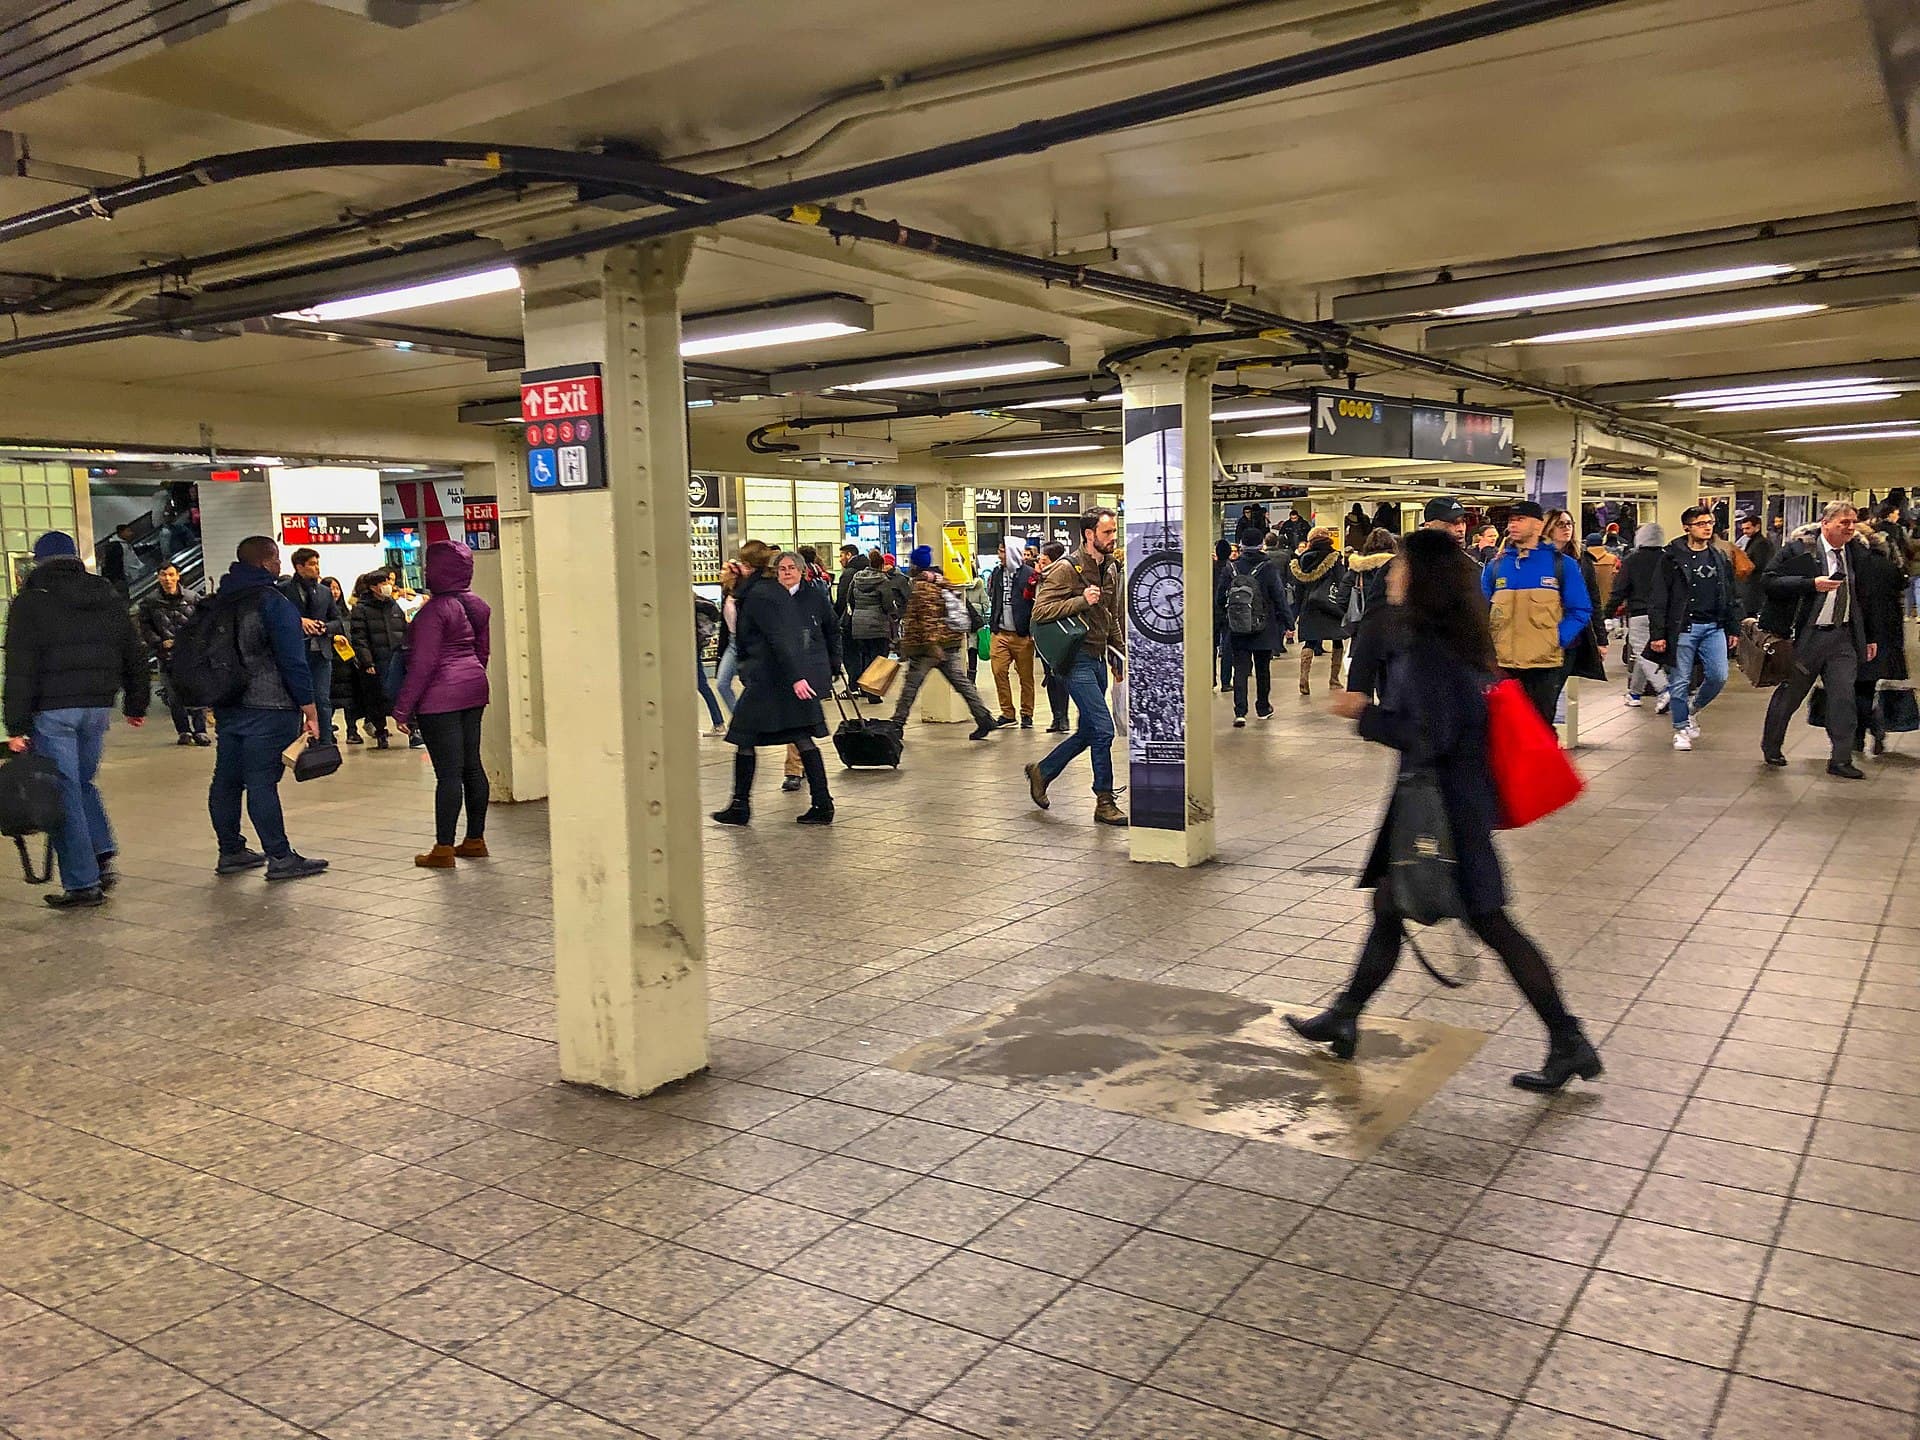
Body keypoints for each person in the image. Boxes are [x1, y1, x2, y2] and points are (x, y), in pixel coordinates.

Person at [1286, 529, 1602, 1092]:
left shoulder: (1430, 649)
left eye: (1399, 567)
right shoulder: (1450, 638)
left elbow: (1430, 733)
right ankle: (1346, 1014)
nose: (1390, 575)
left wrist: (1362, 715)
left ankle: (1568, 1039)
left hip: (1447, 808)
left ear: (1422, 578)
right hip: (1442, 799)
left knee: (1492, 923)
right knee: (1389, 905)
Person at [3, 531, 149, 908]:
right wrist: (136, 703)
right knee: (81, 782)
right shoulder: (105, 595)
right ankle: (101, 851)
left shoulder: (31, 602)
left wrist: (16, 726)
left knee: (64, 790)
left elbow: (20, 668)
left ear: (39, 561)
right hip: (98, 706)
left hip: (53, 710)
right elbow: (133, 651)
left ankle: (83, 883)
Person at [205, 536, 326, 881]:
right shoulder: (272, 602)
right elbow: (292, 660)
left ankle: (230, 850)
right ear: (264, 562)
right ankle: (280, 856)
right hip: (269, 706)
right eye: (275, 559)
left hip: (229, 703)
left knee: (226, 780)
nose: (279, 565)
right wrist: (310, 708)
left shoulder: (221, 600)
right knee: (261, 781)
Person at [713, 544, 840, 826]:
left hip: (770, 680)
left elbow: (779, 638)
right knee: (799, 736)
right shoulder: (769, 591)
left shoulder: (760, 595)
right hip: (778, 677)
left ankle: (741, 805)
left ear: (749, 566)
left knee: (745, 737)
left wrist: (797, 677)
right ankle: (821, 802)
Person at [1759, 501, 1884, 778]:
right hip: (1807, 637)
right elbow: (1768, 581)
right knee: (1791, 694)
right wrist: (1810, 584)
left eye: (1853, 522)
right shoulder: (1799, 550)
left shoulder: (1856, 553)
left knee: (1843, 698)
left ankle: (1840, 759)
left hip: (1843, 637)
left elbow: (1866, 597)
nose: (1850, 528)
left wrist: (1871, 636)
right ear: (1826, 524)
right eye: (1844, 523)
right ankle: (1771, 746)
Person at [391, 541, 492, 868]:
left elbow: (423, 663)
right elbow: (482, 652)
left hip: (440, 697)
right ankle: (475, 839)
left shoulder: (433, 611)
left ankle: (443, 849)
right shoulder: (477, 605)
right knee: (472, 765)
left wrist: (403, 708)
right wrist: (469, 680)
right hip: (473, 687)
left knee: (448, 773)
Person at [1025, 509, 1127, 826]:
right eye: (1107, 532)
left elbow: (1109, 617)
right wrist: (1081, 600)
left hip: (1098, 657)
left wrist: (1120, 655)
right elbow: (1040, 612)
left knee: (1088, 730)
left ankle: (1043, 771)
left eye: (1113, 532)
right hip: (1074, 658)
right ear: (1089, 534)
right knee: (1103, 729)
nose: (1113, 538)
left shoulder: (1110, 569)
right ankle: (1104, 800)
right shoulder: (1066, 569)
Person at [1481, 500, 1591, 726]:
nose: (1513, 525)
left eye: (1520, 520)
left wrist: (1555, 639)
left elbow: (1580, 609)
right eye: (1511, 520)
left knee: (1539, 730)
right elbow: (1482, 610)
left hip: (1543, 667)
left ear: (1539, 526)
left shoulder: (1563, 566)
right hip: (1503, 667)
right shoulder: (1496, 567)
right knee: (1503, 730)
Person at [1646, 506, 1739, 752]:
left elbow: (1730, 594)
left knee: (1719, 676)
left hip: (1714, 626)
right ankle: (1680, 728)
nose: (1707, 527)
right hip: (1683, 627)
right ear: (1687, 527)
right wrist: (1658, 634)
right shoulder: (1671, 557)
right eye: (1700, 523)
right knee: (1680, 680)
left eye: (1709, 522)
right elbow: (1658, 597)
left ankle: (1691, 709)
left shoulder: (1719, 556)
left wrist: (1733, 627)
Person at [890, 546, 1002, 739]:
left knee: (910, 686)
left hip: (928, 648)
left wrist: (932, 646)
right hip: (948, 642)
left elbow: (927, 619)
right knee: (962, 684)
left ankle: (896, 725)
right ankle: (984, 719)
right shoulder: (943, 581)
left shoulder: (923, 587)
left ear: (916, 565)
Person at [1218, 529, 1293, 726]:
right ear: (1261, 544)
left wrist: (1224, 621)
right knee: (1262, 669)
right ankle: (1263, 707)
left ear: (1241, 544)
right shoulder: (1268, 568)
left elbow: (1219, 598)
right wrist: (1288, 622)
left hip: (1237, 627)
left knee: (1240, 669)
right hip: (1263, 627)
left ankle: (1240, 712)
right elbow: (1279, 596)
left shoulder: (1231, 568)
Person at [136, 561, 209, 745]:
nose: (167, 579)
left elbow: (204, 624)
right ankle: (183, 731)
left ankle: (200, 730)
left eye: (171, 574)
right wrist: (159, 642)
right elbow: (145, 627)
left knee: (197, 692)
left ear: (178, 576)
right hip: (167, 655)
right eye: (163, 575)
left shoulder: (193, 598)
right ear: (158, 577)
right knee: (174, 695)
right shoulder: (150, 602)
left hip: (192, 655)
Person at [278, 546, 346, 743]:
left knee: (323, 700)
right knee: (295, 699)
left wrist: (324, 627)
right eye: (312, 564)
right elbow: (276, 619)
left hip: (321, 653)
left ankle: (325, 740)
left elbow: (338, 620)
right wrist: (299, 621)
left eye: (318, 563)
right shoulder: (283, 590)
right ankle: (295, 740)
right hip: (295, 653)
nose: (317, 568)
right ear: (299, 567)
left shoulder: (324, 592)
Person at [1852, 523, 1907, 757]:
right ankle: (1868, 732)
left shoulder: (1856, 566)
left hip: (1861, 634)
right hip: (1886, 636)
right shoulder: (1887, 566)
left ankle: (1869, 731)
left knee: (1855, 688)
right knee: (1866, 686)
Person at [1608, 522, 1671, 712]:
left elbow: (1620, 589)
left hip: (1639, 614)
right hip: (1664, 615)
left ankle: (1664, 689)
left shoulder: (1631, 560)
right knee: (1642, 655)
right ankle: (1634, 693)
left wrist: (1607, 614)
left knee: (1644, 655)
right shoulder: (1669, 559)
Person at [347, 570, 408, 749]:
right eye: (383, 583)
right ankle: (381, 732)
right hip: (376, 660)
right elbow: (360, 638)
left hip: (397, 658)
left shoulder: (394, 606)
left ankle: (412, 731)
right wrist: (367, 662)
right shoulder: (361, 609)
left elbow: (403, 630)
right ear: (373, 587)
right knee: (377, 699)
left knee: (402, 694)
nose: (387, 586)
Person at [1289, 526, 1349, 696]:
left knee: (1309, 642)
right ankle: (1334, 680)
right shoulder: (1334, 557)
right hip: (1330, 605)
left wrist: (1297, 611)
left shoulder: (1302, 560)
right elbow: (1342, 581)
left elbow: (1299, 588)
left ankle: (1304, 680)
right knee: (1337, 641)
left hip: (1309, 606)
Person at [989, 544, 1039, 726]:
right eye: (999, 550)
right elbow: (994, 598)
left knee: (1025, 676)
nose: (999, 555)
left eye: (1003, 551)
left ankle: (1027, 713)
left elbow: (1036, 602)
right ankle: (1007, 713)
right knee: (998, 671)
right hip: (1000, 632)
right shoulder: (996, 573)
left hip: (1022, 634)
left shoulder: (1029, 574)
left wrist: (1033, 630)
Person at [846, 547, 901, 687]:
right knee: (878, 658)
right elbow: (887, 605)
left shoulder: (857, 578)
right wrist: (894, 612)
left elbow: (850, 599)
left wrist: (858, 610)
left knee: (864, 656)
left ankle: (863, 687)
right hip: (877, 625)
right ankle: (873, 691)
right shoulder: (883, 581)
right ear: (882, 565)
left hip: (858, 625)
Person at [322, 577, 364, 745]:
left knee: (350, 700)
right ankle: (326, 731)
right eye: (331, 589)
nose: (334, 592)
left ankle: (352, 730)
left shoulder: (347, 614)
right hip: (330, 662)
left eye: (337, 588)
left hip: (348, 662)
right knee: (329, 700)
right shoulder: (321, 614)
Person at [1035, 541, 1072, 733]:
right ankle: (1055, 717)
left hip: (1058, 633)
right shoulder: (1038, 579)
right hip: (1042, 633)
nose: (1040, 563)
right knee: (1049, 677)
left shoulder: (1062, 577)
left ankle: (1063, 716)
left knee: (1059, 676)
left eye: (1044, 560)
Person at [694, 591, 725, 735]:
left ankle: (718, 723)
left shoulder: (687, 603)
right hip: (696, 647)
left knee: (702, 685)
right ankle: (718, 722)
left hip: (690, 648)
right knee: (702, 686)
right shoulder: (696, 600)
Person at [834, 542, 866, 680]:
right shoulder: (869, 569)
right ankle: (866, 685)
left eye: (841, 555)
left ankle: (853, 684)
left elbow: (842, 599)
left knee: (850, 653)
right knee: (864, 654)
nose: (840, 559)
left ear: (849, 555)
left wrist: (835, 617)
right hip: (869, 622)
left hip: (851, 620)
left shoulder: (848, 574)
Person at [1734, 512, 1775, 619]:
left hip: (1755, 588)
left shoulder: (1761, 543)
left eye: (1747, 528)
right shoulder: (1753, 542)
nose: (1744, 532)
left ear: (1757, 527)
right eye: (1743, 529)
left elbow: (1759, 565)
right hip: (1751, 587)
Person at [1211, 538, 1235, 692]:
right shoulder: (1232, 569)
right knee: (1227, 647)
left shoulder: (1209, 568)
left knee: (1211, 646)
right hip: (1227, 611)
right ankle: (1226, 681)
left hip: (1211, 611)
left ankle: (1211, 679)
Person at [1582, 532, 1620, 621]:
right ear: (1602, 543)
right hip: (1609, 608)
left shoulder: (1581, 560)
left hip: (1586, 607)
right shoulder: (1613, 560)